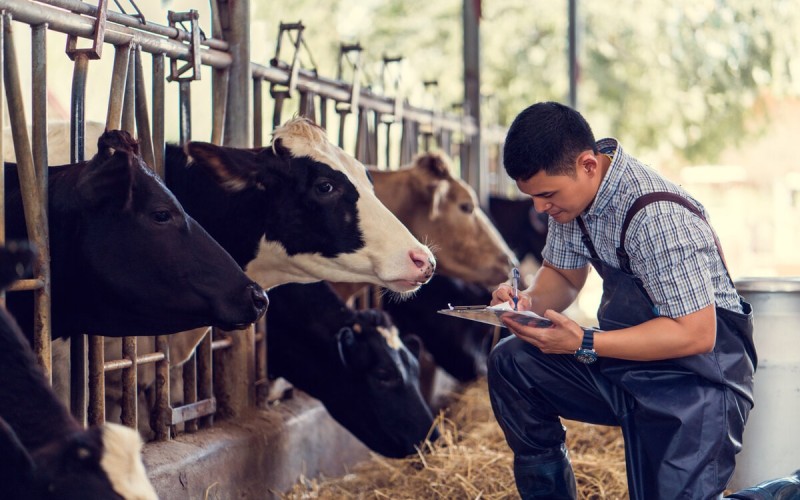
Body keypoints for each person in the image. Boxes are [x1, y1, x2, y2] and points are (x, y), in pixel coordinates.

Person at [487, 101, 757, 499]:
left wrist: (584, 342)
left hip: (699, 382)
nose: (539, 208)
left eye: (546, 194)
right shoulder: (573, 203)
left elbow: (696, 334)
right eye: (532, 197)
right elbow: (564, 275)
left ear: (588, 166)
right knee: (513, 362)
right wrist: (524, 302)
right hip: (630, 364)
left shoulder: (657, 216)